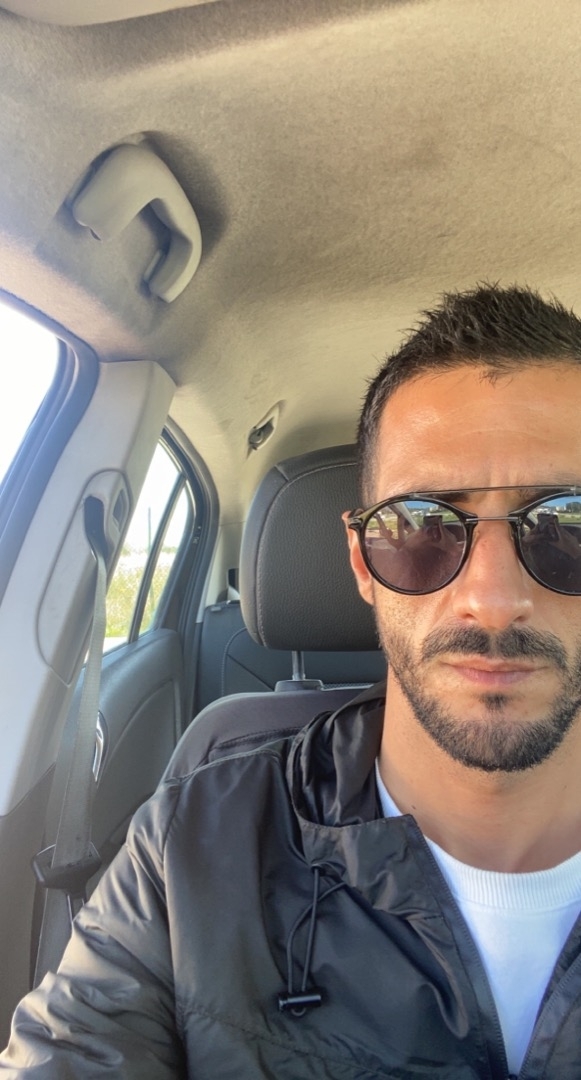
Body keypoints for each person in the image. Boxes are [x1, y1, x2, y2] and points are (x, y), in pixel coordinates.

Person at [3, 283, 581, 1078]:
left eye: (564, 524)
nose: (491, 598)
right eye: (421, 526)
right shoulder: (189, 853)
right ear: (362, 564)